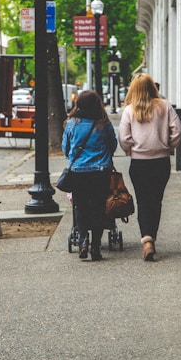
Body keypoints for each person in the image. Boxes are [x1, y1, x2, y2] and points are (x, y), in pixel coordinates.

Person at [118, 73, 181, 261]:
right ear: (152, 87)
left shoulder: (130, 110)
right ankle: (151, 236)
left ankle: (147, 240)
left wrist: (131, 149)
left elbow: (123, 138)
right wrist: (169, 146)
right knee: (156, 201)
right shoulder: (165, 106)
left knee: (143, 201)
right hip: (161, 162)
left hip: (139, 163)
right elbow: (177, 131)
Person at [62, 90, 118, 260]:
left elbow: (66, 149)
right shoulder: (103, 124)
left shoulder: (71, 124)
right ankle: (95, 247)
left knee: (80, 206)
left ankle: (83, 240)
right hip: (100, 172)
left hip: (78, 172)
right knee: (99, 208)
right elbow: (113, 145)